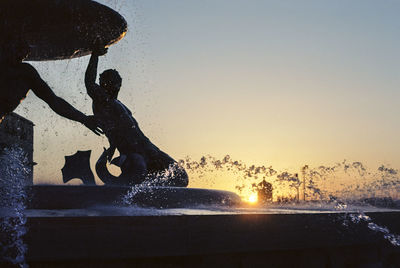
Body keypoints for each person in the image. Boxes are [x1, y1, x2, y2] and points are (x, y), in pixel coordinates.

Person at [85, 43, 188, 187]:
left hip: (150, 149)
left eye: (115, 81)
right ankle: (133, 189)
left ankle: (150, 191)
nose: (112, 84)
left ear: (119, 84)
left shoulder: (119, 103)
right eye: (107, 81)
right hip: (133, 154)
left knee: (181, 176)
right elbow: (89, 83)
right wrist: (95, 55)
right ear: (102, 83)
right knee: (138, 170)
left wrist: (150, 150)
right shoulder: (103, 101)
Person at [0, 36, 102, 135]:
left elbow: (55, 102)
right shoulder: (23, 73)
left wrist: (83, 119)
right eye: (18, 46)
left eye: (25, 48)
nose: (26, 52)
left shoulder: (26, 73)